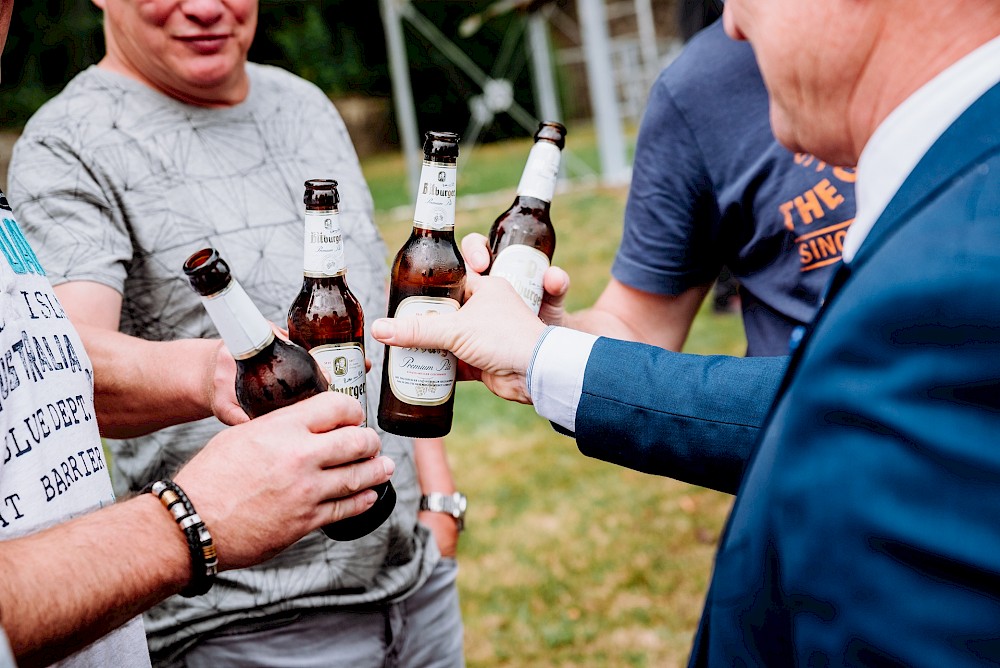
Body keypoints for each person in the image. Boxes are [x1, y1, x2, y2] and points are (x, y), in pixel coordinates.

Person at [372, 0, 1000, 663]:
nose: (730, 21)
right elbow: (638, 322)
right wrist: (537, 339)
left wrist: (541, 357)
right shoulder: (704, 88)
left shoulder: (957, 265)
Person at [9, 1, 463, 666]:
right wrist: (213, 371)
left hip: (416, 586)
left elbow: (372, 312)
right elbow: (75, 368)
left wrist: (440, 500)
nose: (203, 7)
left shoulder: (304, 105)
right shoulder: (69, 143)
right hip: (243, 625)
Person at [523, 18, 857, 357]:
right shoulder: (697, 88)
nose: (734, 24)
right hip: (800, 404)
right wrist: (545, 340)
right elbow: (639, 324)